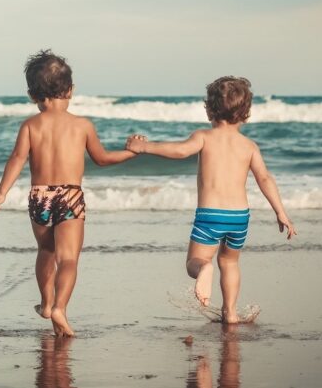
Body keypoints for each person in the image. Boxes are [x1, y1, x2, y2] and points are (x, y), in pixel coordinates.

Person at [0, 50, 137, 336]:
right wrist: (131, 153)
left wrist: (1, 192)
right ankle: (60, 308)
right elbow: (102, 159)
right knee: (68, 259)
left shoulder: (30, 125)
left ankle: (46, 303)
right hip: (69, 196)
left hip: (40, 195)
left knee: (45, 250)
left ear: (32, 94)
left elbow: (17, 159)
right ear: (71, 90)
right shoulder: (82, 125)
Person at [126, 76, 296, 323]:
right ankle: (231, 313)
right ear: (246, 113)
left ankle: (204, 270)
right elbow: (265, 178)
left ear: (209, 109)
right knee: (229, 262)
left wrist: (146, 147)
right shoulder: (249, 145)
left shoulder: (203, 136)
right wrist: (281, 212)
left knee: (194, 263)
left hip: (210, 215)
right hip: (239, 217)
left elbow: (181, 150)